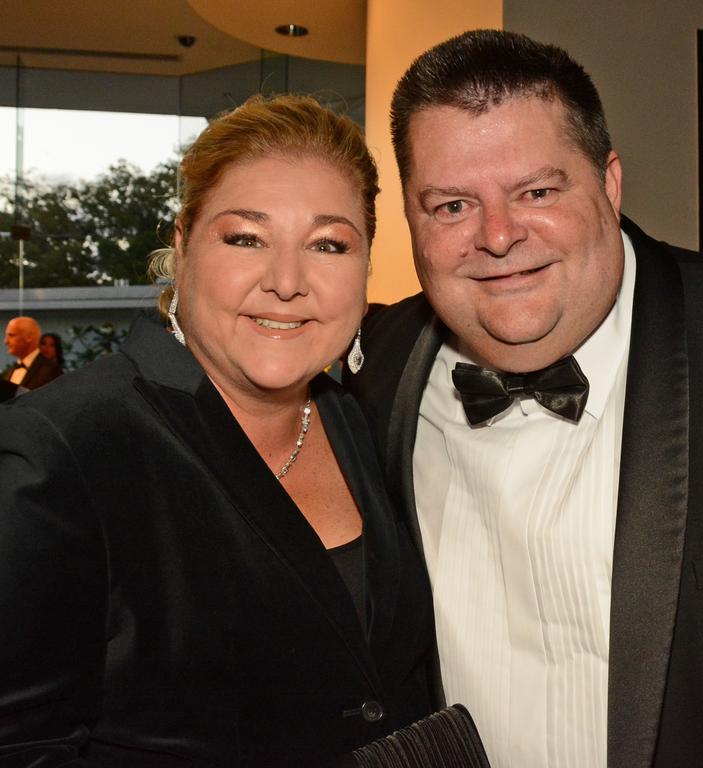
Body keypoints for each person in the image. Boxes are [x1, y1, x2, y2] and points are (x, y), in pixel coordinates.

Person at [346, 29, 703, 768]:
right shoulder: (370, 375)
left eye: (537, 192)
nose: (499, 236)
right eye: (451, 206)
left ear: (608, 183)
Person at [0, 95, 436, 766]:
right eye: (246, 238)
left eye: (328, 243)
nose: (287, 281)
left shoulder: (359, 419)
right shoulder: (66, 447)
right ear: (182, 247)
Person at [3, 316, 62, 389]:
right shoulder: (10, 371)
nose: (6, 341)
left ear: (29, 337)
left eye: (11, 335)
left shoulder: (50, 369)